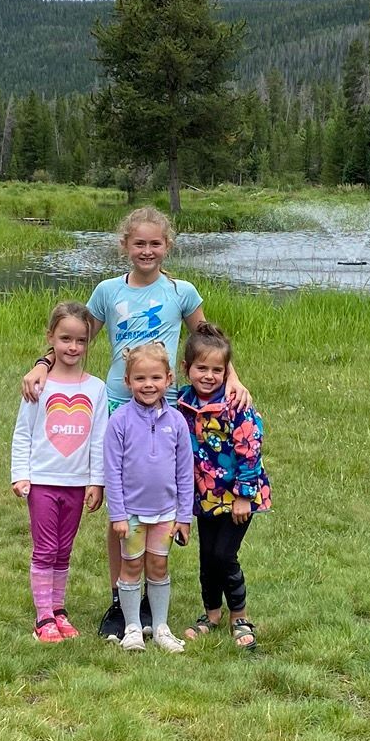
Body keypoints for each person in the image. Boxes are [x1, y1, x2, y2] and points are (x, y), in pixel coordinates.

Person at [21, 206, 247, 641]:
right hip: (117, 407)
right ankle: (120, 595)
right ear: (125, 246)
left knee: (158, 492)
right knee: (120, 503)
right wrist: (42, 364)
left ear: (168, 246)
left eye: (155, 243)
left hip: (167, 406)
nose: (147, 250)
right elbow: (75, 337)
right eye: (139, 243)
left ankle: (152, 591)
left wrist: (235, 379)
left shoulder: (182, 291)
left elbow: (209, 343)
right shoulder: (106, 291)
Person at [10, 300, 107, 643]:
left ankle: (59, 609)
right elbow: (23, 432)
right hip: (43, 483)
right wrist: (21, 474)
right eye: (65, 338)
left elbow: (99, 438)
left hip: (76, 484)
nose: (73, 347)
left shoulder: (96, 388)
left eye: (80, 340)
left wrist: (97, 480)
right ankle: (43, 618)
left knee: (64, 548)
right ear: (50, 337)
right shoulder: (38, 385)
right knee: (45, 547)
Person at [176, 323, 269, 650]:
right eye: (201, 368)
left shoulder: (235, 404)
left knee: (224, 554)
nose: (209, 375)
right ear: (186, 369)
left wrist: (244, 496)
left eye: (217, 369)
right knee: (206, 556)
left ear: (226, 371)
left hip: (236, 497)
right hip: (203, 497)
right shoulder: (181, 403)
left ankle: (239, 616)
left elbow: (250, 448)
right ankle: (211, 614)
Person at [102, 342, 194, 654]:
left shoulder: (177, 422)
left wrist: (184, 517)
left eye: (155, 378)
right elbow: (112, 472)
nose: (148, 385)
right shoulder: (119, 422)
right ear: (127, 382)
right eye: (140, 378)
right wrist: (117, 515)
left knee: (158, 566)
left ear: (169, 379)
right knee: (131, 568)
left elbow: (184, 473)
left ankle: (160, 627)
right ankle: (131, 628)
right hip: (132, 515)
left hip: (166, 514)